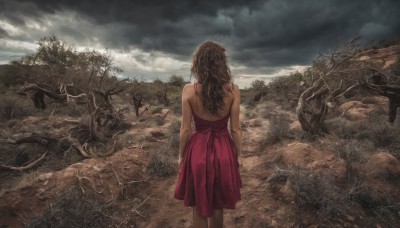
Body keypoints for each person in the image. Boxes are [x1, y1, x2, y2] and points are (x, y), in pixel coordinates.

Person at [174, 41, 242, 228]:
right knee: (218, 205)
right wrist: (239, 155)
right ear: (222, 63)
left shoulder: (189, 90)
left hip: (197, 151)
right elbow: (235, 129)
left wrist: (181, 156)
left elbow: (185, 129)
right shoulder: (233, 90)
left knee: (198, 205)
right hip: (223, 151)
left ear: (199, 63)